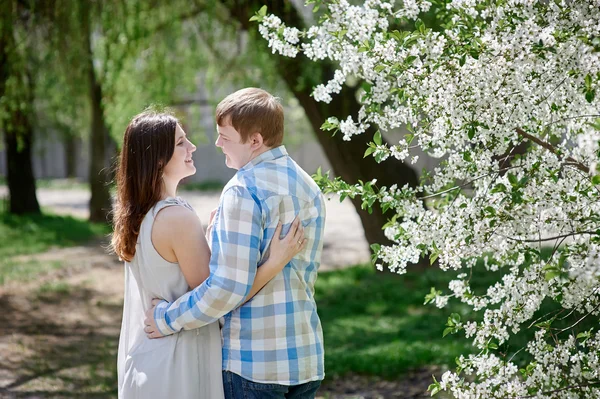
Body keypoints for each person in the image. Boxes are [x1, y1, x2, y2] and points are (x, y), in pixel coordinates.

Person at [144, 88, 326, 399]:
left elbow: (227, 288)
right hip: (305, 359)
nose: (216, 144)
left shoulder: (243, 190)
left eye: (225, 137)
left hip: (254, 365)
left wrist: (166, 319)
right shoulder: (308, 185)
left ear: (255, 141)